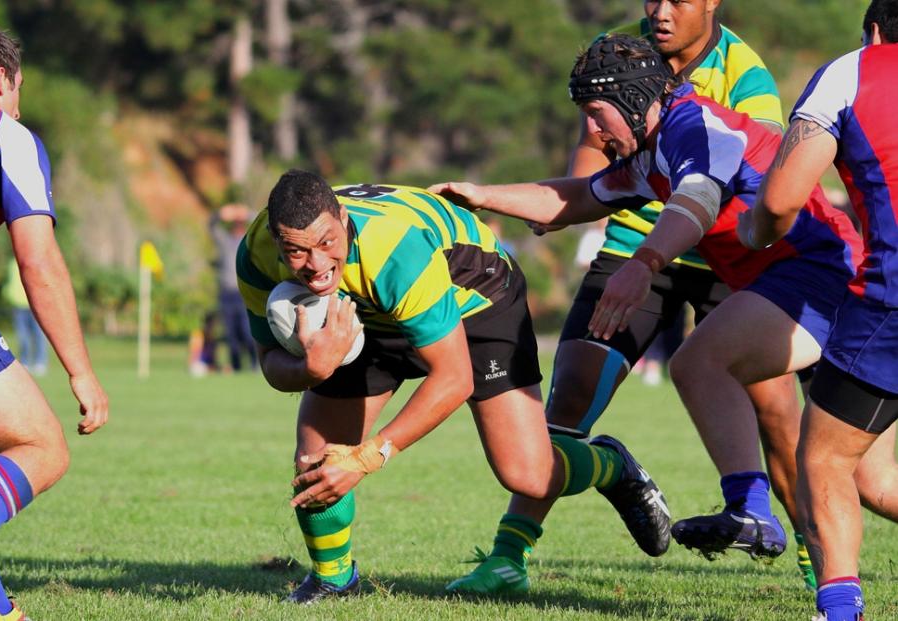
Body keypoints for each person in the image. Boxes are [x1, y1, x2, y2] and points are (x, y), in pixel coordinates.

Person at [429, 32, 891, 598]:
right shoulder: (652, 151)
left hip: (820, 275)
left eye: (597, 116)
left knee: (701, 364)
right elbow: (575, 198)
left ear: (631, 101)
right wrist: (481, 195)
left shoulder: (690, 125)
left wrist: (643, 262)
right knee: (874, 480)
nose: (594, 132)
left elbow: (698, 197)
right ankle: (766, 524)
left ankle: (751, 509)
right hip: (807, 280)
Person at [237, 171, 671, 603]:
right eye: (296, 251)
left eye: (327, 243)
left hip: (476, 298)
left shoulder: (392, 251)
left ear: (343, 218)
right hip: (371, 311)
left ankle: (611, 465)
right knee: (316, 458)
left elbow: (454, 378)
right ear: (276, 241)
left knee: (528, 475)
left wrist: (369, 456)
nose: (315, 265)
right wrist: (314, 368)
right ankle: (334, 579)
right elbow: (271, 365)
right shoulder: (255, 255)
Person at [0, 22, 109, 620]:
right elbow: (39, 263)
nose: (19, 103)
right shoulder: (5, 135)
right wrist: (82, 374)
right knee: (43, 446)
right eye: (18, 89)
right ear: (1, 78)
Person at [743, 2, 898, 618]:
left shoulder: (853, 71)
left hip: (891, 301)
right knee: (872, 470)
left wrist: (756, 230)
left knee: (827, 456)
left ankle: (839, 610)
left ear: (876, 30)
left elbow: (781, 200)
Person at [210, 202, 257, 372]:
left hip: (244, 292)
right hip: (226, 293)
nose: (238, 226)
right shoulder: (224, 240)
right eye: (235, 223)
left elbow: (263, 223)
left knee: (247, 331)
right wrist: (221, 214)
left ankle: (254, 363)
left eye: (240, 223)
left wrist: (247, 213)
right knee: (231, 334)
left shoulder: (249, 241)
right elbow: (211, 225)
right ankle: (236, 366)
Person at [3, 257, 48, 376]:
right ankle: (25, 362)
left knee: (38, 335)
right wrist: (9, 295)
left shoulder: (35, 259)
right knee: (23, 336)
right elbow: (10, 283)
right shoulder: (12, 263)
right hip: (18, 305)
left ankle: (40, 362)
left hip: (36, 304)